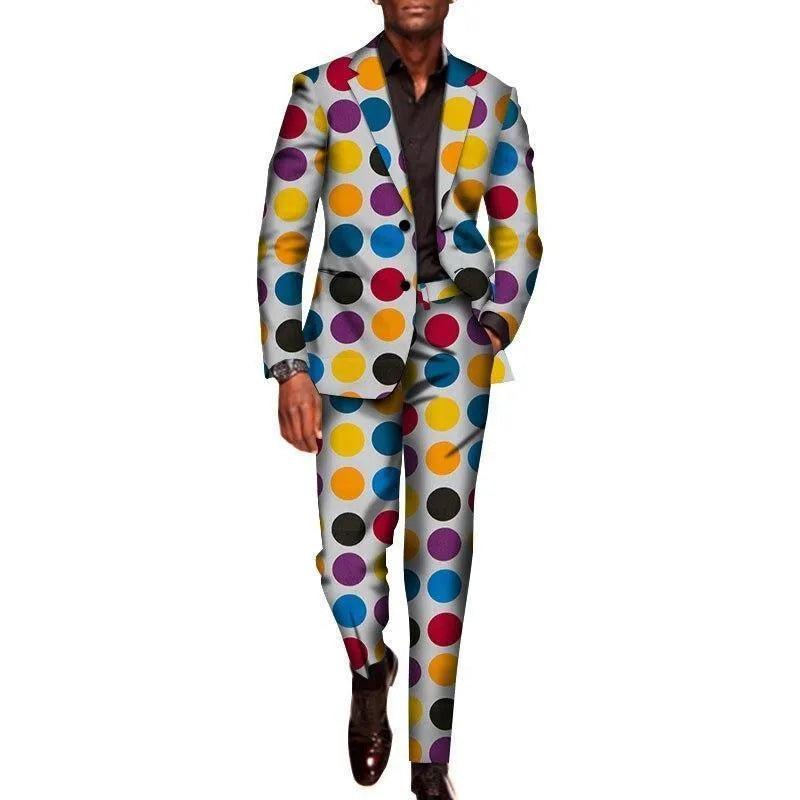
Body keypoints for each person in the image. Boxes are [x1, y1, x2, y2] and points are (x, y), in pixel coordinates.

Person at [256, 1, 542, 796]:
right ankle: (369, 666)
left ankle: (431, 760)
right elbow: (284, 235)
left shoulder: (492, 99)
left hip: (455, 342)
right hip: (346, 344)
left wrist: (496, 321)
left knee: (441, 548)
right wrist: (290, 366)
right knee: (349, 551)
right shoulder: (323, 91)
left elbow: (519, 228)